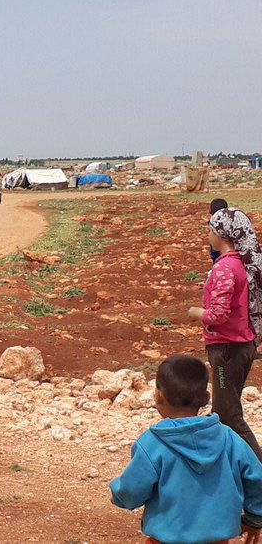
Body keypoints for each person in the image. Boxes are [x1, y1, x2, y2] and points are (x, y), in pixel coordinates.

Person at [110, 355, 262, 544]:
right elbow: (257, 478)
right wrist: (254, 519)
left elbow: (132, 489)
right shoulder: (229, 438)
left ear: (158, 395)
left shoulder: (152, 444)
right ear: (206, 398)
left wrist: (119, 496)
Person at [188, 207, 262, 459]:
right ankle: (229, 467)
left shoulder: (224, 268)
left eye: (210, 229)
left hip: (226, 350)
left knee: (227, 415)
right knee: (226, 411)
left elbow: (218, 315)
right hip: (241, 345)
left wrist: (197, 312)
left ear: (222, 234)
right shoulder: (243, 264)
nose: (208, 234)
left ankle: (257, 469)